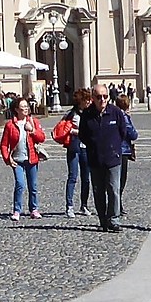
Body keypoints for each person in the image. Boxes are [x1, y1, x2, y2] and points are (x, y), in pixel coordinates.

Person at [76, 83, 134, 232]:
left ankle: (114, 220)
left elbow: (123, 132)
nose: (102, 99)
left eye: (105, 96)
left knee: (114, 189)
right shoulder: (87, 115)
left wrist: (114, 147)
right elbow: (83, 135)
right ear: (93, 98)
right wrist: (93, 146)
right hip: (95, 158)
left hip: (113, 158)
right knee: (98, 190)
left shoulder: (116, 113)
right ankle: (103, 219)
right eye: (99, 97)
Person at [0, 96, 46, 220]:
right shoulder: (10, 125)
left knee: (33, 186)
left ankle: (34, 209)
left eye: (26, 107)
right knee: (20, 184)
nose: (25, 109)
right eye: (22, 107)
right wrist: (7, 159)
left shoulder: (33, 121)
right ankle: (16, 211)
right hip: (17, 160)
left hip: (32, 158)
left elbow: (42, 138)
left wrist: (33, 130)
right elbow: (4, 144)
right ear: (16, 110)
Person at [54, 90, 93, 219]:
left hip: (87, 148)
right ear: (79, 101)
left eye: (89, 99)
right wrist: (74, 131)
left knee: (86, 178)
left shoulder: (91, 113)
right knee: (73, 176)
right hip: (74, 147)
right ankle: (69, 206)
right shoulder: (71, 114)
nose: (88, 102)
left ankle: (84, 205)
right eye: (85, 100)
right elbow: (61, 127)